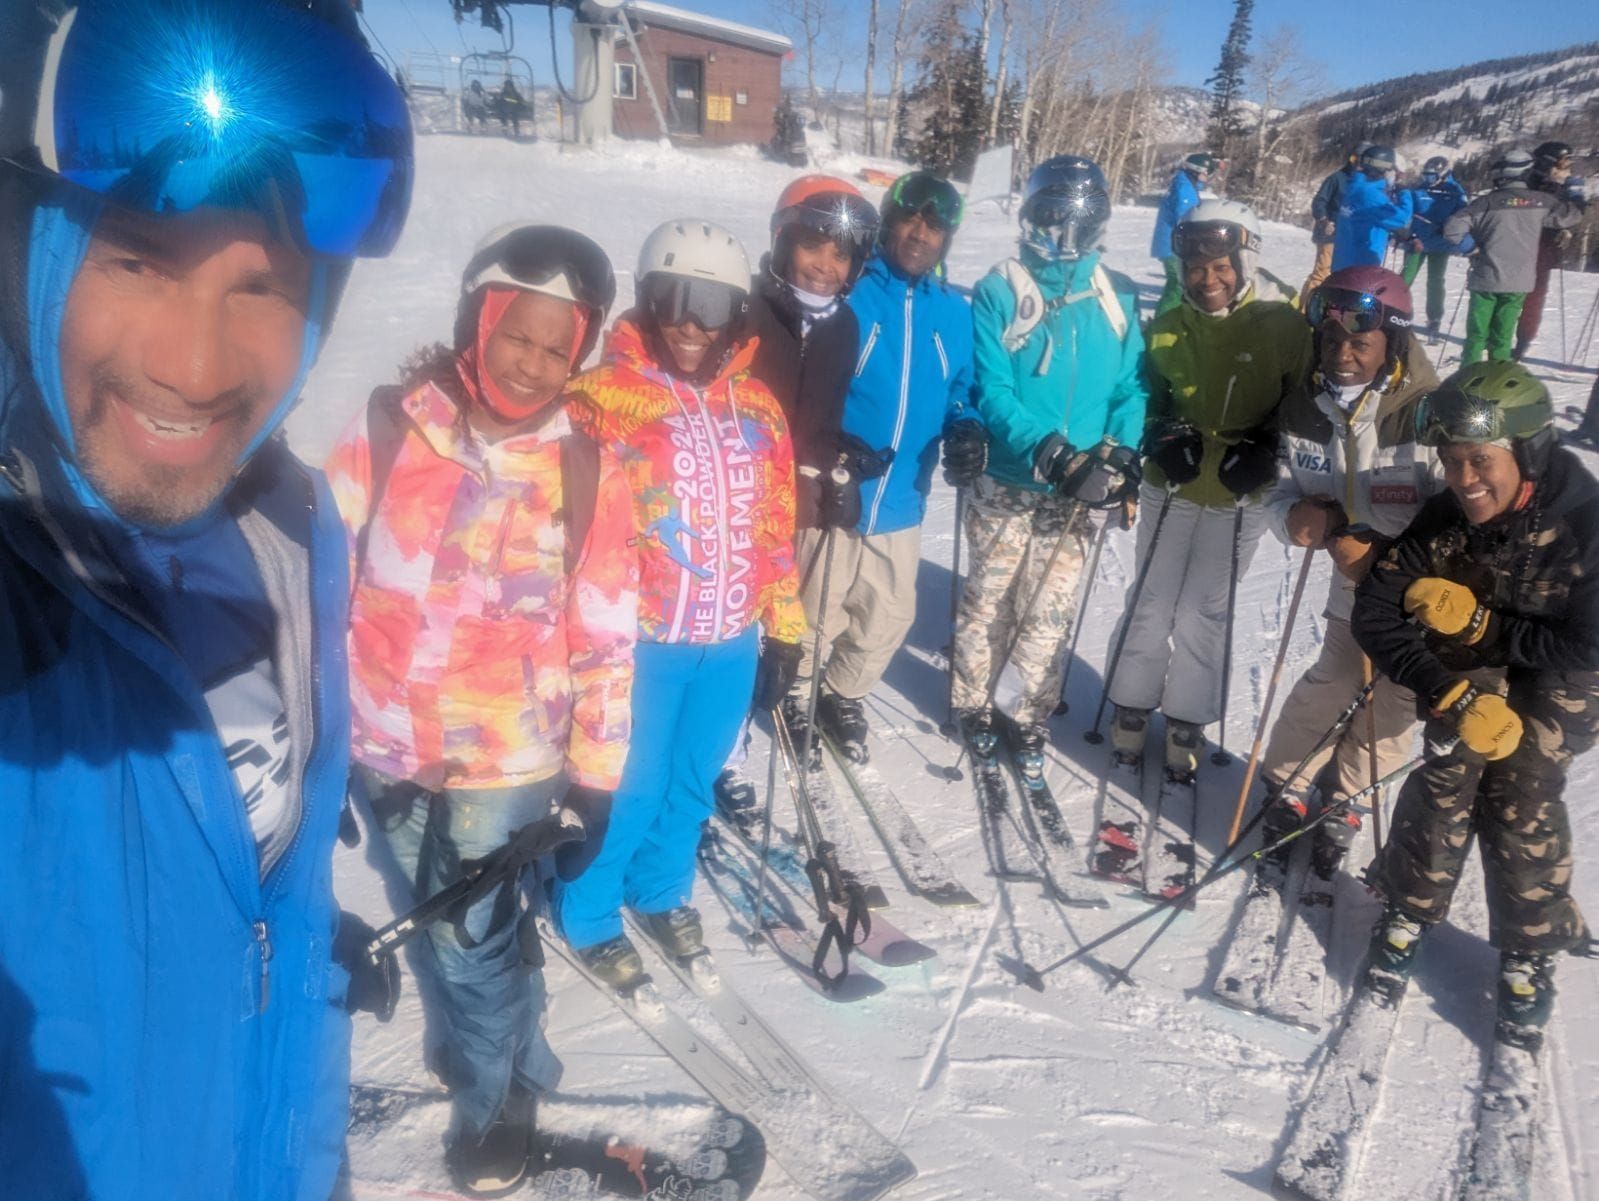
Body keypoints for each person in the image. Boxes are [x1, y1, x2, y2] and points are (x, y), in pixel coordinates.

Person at [0, 2, 413, 1199]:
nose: (197, 365)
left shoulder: (291, 530)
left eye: (266, 284)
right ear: (29, 243)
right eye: (137, 256)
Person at [325, 224, 636, 1195]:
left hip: (504, 761)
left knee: (463, 945)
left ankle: (494, 1099)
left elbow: (607, 637)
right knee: (454, 925)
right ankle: (520, 1050)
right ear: (480, 321)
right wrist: (320, 734)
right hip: (383, 739)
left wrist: (595, 779)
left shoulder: (588, 471)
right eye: (519, 336)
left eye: (559, 348)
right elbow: (321, 580)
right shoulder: (391, 426)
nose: (535, 364)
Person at [553, 219, 805, 986]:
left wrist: (783, 627)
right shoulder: (599, 399)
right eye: (675, 299)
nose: (693, 323)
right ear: (647, 298)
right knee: (625, 785)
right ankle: (589, 909)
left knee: (692, 780)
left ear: (739, 315)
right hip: (641, 640)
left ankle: (660, 891)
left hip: (728, 639)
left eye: (714, 305)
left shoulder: (759, 408)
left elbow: (774, 522)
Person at [1351, 361, 1598, 1044]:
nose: (1464, 479)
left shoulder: (1585, 519)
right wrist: (1447, 688)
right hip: (1479, 664)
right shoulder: (1444, 517)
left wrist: (1486, 629)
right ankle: (1406, 907)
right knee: (1449, 759)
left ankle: (1530, 945)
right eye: (1451, 461)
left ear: (1527, 450)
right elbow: (1372, 612)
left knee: (1523, 779)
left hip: (1569, 668)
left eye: (1479, 460)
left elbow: (1589, 642)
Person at [951, 156, 1146, 774]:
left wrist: (1119, 452)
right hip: (1011, 475)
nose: (1063, 232)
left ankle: (1027, 711)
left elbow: (1131, 388)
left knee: (1048, 608)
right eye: (1050, 214)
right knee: (991, 600)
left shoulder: (1115, 295)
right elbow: (994, 388)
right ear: (1031, 214)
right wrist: (1047, 449)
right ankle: (975, 702)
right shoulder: (1000, 287)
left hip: (1077, 486)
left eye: (1077, 218)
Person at [1108, 200, 1311, 777]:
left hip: (1238, 490)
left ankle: (1188, 715)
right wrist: (1160, 434)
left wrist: (1269, 444)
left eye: (1221, 266)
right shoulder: (1170, 325)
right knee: (1151, 598)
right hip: (1171, 482)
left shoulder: (1284, 324)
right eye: (1196, 269)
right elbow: (1146, 397)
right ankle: (1131, 700)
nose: (1208, 279)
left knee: (1204, 609)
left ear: (1245, 260)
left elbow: (1305, 403)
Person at [785, 170, 979, 764]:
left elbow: (962, 390)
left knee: (888, 615)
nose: (921, 233)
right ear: (889, 221)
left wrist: (966, 424)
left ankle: (842, 693)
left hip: (903, 497)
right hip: (837, 489)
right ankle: (794, 695)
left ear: (947, 238)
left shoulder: (954, 311)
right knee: (816, 606)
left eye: (935, 225)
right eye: (910, 218)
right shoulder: (851, 290)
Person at [1256, 267, 1441, 879]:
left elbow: (1458, 511)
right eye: (1332, 341)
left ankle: (1351, 795)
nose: (1343, 356)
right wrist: (1295, 520)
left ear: (1394, 343)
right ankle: (1287, 782)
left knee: (1394, 702)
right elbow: (1281, 491)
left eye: (1360, 343)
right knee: (1332, 681)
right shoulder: (1304, 411)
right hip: (1349, 579)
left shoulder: (1425, 416)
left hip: (1419, 593)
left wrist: (1394, 563)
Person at [712, 174, 876, 812]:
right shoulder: (745, 309)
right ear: (783, 242)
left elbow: (822, 421)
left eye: (841, 254)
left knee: (763, 631)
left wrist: (833, 468)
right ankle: (722, 756)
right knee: (724, 631)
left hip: (783, 513)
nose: (825, 265)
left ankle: (733, 735)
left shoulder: (843, 326)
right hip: (721, 500)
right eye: (814, 245)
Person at [1443, 148, 1584, 365]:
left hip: (1485, 278)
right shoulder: (1541, 202)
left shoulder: (1485, 203)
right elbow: (1571, 216)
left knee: (1477, 336)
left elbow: (1452, 229)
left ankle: (1467, 378)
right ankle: (1498, 381)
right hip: (1519, 281)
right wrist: (1575, 192)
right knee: (1503, 336)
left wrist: (1470, 248)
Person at [1513, 140, 1582, 360]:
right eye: (1563, 162)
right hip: (1522, 242)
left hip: (1545, 244)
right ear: (1548, 163)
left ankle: (1524, 338)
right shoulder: (1528, 182)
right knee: (1512, 291)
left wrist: (1567, 229)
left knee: (1535, 293)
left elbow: (1564, 215)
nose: (1566, 168)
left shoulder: (1562, 185)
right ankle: (1501, 333)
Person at [1402, 156, 1470, 340]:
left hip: (1440, 243)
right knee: (1405, 278)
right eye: (1426, 175)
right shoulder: (1419, 189)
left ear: (1443, 174)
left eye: (1432, 175)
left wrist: (1452, 229)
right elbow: (1407, 213)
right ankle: (1398, 311)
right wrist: (1410, 235)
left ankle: (1435, 319)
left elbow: (1463, 214)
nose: (1428, 178)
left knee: (1435, 281)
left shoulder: (1454, 191)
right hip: (1417, 242)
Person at [1151, 151, 1222, 315]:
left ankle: (1172, 318)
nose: (1208, 177)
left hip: (1173, 244)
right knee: (1177, 284)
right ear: (1197, 170)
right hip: (1172, 246)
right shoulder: (1184, 188)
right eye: (1206, 173)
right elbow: (1186, 217)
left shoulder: (1186, 184)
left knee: (1179, 284)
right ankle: (1162, 321)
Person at [1302, 143, 1369, 302]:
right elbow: (1319, 201)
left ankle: (1316, 305)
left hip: (1350, 236)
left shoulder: (1365, 183)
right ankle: (1305, 312)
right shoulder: (1337, 178)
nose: (1357, 164)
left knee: (1342, 276)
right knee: (1322, 272)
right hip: (1330, 232)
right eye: (1354, 159)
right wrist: (1324, 220)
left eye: (1361, 160)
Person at [1331, 145, 1414, 273]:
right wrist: (1404, 193)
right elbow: (1401, 219)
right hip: (1362, 267)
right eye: (1393, 172)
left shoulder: (1353, 186)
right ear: (1384, 170)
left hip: (1342, 262)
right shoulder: (1371, 195)